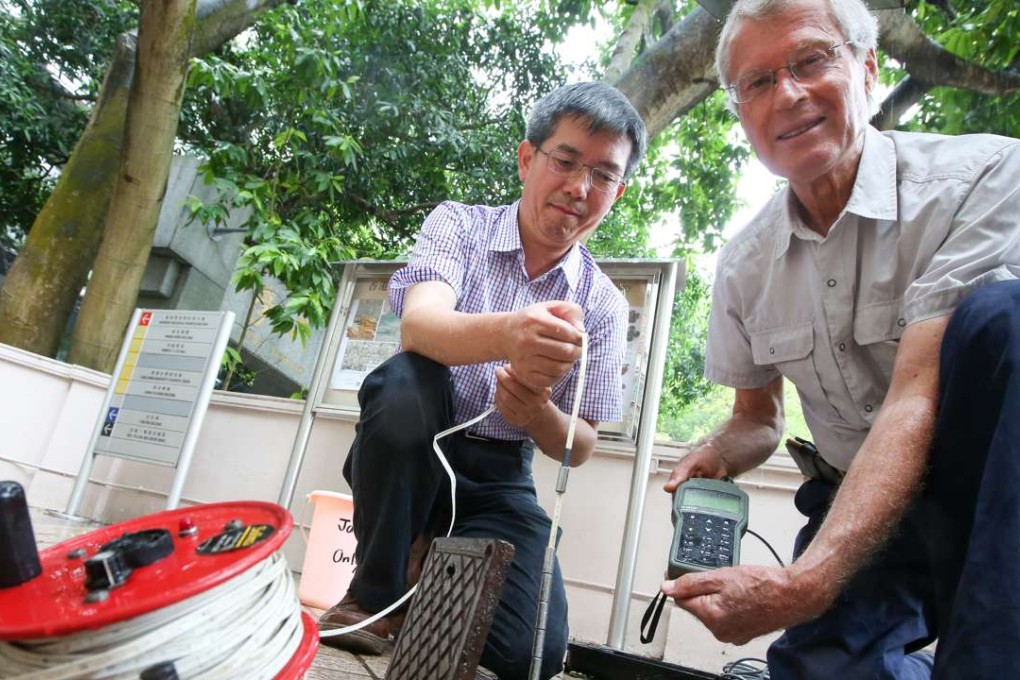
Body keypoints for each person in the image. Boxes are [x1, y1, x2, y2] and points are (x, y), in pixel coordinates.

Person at [660, 0, 1020, 678]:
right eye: (758, 81)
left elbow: (916, 395)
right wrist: (717, 453)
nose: (788, 94)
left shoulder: (984, 177)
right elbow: (757, 419)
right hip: (854, 503)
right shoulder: (744, 266)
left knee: (1005, 315)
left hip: (985, 488)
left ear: (868, 68)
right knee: (816, 668)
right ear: (741, 113)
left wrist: (806, 584)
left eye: (810, 60)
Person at [317, 81, 648, 680]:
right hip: (415, 448)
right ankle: (373, 594)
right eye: (566, 160)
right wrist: (511, 334)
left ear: (617, 192)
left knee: (529, 655)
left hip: (501, 477)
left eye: (602, 175)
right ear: (527, 159)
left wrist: (536, 413)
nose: (579, 188)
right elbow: (419, 325)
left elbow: (580, 443)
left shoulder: (601, 303)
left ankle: (423, 584)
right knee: (404, 383)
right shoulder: (459, 225)